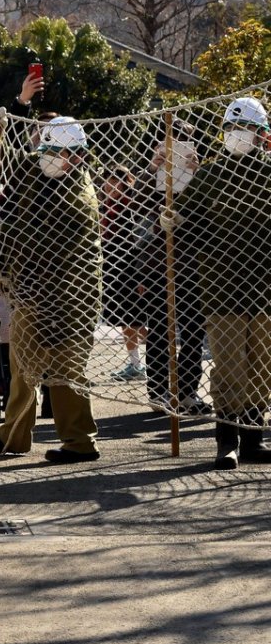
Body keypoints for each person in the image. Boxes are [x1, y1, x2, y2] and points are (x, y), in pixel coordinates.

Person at [0, 116, 103, 463]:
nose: (60, 158)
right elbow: (8, 170)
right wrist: (0, 128)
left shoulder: (79, 196)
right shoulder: (32, 169)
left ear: (79, 155)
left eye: (67, 153)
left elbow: (38, 236)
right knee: (23, 368)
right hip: (32, 291)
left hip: (71, 296)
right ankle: (13, 437)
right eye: (51, 150)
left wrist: (4, 228)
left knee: (68, 371)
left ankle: (80, 442)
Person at [164, 96, 271, 469]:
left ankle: (254, 438)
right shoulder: (210, 175)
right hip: (222, 286)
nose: (237, 135)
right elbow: (188, 226)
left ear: (261, 135)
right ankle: (226, 442)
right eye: (231, 128)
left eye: (244, 129)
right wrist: (173, 223)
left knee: (261, 367)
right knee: (228, 367)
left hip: (265, 289)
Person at [133, 121, 207, 413]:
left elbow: (209, 208)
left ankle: (188, 391)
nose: (176, 147)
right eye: (171, 140)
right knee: (161, 327)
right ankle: (158, 391)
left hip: (195, 262)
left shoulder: (202, 175)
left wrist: (197, 172)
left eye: (183, 141)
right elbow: (135, 203)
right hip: (157, 263)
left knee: (193, 328)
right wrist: (154, 168)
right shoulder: (151, 174)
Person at [99, 166, 148, 382]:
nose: (109, 186)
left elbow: (138, 243)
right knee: (125, 320)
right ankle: (135, 364)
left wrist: (140, 275)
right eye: (107, 181)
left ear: (125, 183)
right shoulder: (106, 208)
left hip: (131, 269)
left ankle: (159, 358)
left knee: (137, 319)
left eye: (114, 181)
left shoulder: (131, 208)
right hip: (113, 269)